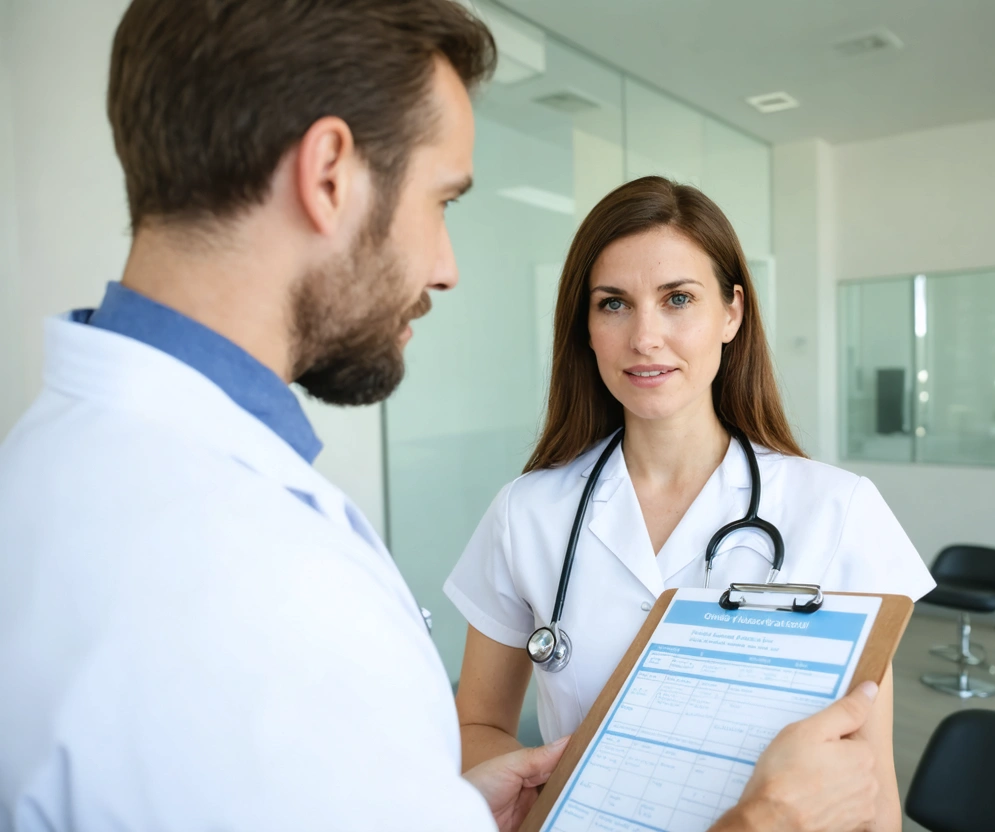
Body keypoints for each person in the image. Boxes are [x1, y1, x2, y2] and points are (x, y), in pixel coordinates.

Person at [0, 2, 897, 831]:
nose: (447, 266)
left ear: (734, 313)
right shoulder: (244, 568)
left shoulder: (59, 475)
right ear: (327, 175)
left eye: (679, 299)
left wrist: (455, 806)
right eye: (443, 201)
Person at [446, 177, 936, 831]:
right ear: (586, 328)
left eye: (677, 298)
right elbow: (476, 726)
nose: (645, 337)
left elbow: (874, 795)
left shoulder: (838, 511)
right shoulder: (527, 512)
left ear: (732, 312)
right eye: (613, 304)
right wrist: (563, 792)